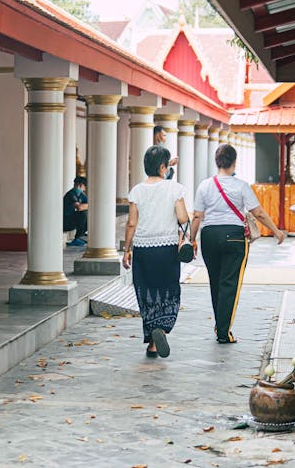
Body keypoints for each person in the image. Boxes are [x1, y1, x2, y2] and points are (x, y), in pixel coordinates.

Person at [190, 144, 284, 344]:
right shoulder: (241, 186)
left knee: (215, 283)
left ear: (217, 162)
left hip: (208, 236)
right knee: (230, 284)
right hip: (234, 237)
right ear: (234, 162)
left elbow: (197, 216)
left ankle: (220, 325)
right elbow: (257, 212)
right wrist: (275, 231)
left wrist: (192, 239)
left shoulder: (205, 185)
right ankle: (224, 332)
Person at [122, 145, 189, 358]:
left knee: (147, 293)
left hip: (143, 249)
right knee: (168, 290)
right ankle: (162, 328)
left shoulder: (137, 191)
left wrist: (126, 250)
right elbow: (183, 218)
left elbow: (131, 224)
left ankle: (152, 339)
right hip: (167, 249)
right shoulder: (174, 188)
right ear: (162, 167)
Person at [63, 176, 88, 246]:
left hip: (72, 221)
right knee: (84, 213)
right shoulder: (71, 194)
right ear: (80, 185)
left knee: (89, 214)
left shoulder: (81, 195)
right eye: (84, 187)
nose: (84, 189)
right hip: (66, 222)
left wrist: (87, 206)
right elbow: (80, 207)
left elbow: (88, 205)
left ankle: (82, 235)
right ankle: (77, 238)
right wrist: (89, 205)